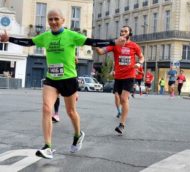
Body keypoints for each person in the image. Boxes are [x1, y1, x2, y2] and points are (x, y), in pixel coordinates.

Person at [0, 9, 126, 159]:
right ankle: (47, 146)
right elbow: (28, 42)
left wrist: (113, 42)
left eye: (56, 19)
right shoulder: (45, 36)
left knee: (71, 112)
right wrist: (9, 39)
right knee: (47, 108)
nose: (53, 22)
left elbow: (91, 42)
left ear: (63, 20)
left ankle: (78, 134)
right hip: (51, 79)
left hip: (68, 79)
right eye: (50, 19)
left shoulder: (71, 35)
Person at [95, 25, 144, 135]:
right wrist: (95, 46)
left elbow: (141, 57)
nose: (122, 33)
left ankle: (122, 124)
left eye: (125, 31)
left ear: (130, 34)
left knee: (123, 99)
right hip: (118, 76)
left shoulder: (134, 46)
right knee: (120, 98)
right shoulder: (115, 45)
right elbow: (101, 52)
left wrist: (139, 63)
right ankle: (121, 112)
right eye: (121, 31)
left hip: (129, 75)